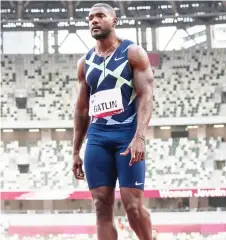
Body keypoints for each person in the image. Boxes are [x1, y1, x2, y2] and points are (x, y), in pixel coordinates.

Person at [72, 3, 154, 240]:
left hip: (127, 136)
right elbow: (81, 109)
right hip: (97, 138)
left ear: (114, 21)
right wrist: (75, 150)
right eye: (90, 18)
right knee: (100, 206)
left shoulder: (133, 53)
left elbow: (146, 95)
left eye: (100, 16)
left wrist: (139, 137)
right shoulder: (85, 62)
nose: (94, 21)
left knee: (133, 206)